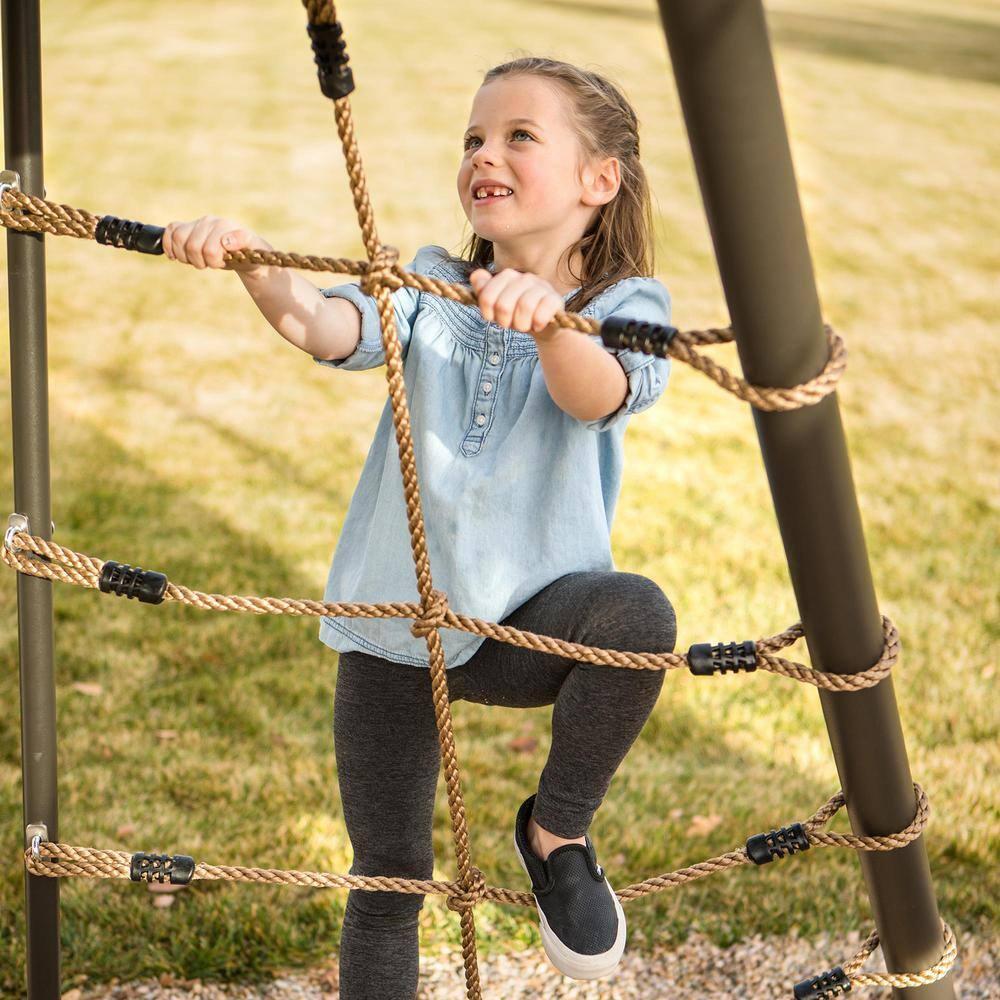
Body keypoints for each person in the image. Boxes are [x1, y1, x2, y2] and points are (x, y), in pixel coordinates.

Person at [163, 56, 677, 1000]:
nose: (485, 153)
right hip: (393, 623)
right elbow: (328, 328)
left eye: (519, 136)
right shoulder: (432, 282)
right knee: (388, 876)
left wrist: (551, 326)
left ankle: (555, 834)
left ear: (599, 180)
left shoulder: (623, 306)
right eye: (474, 137)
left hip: (525, 626)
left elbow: (599, 393)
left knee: (639, 617)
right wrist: (257, 268)